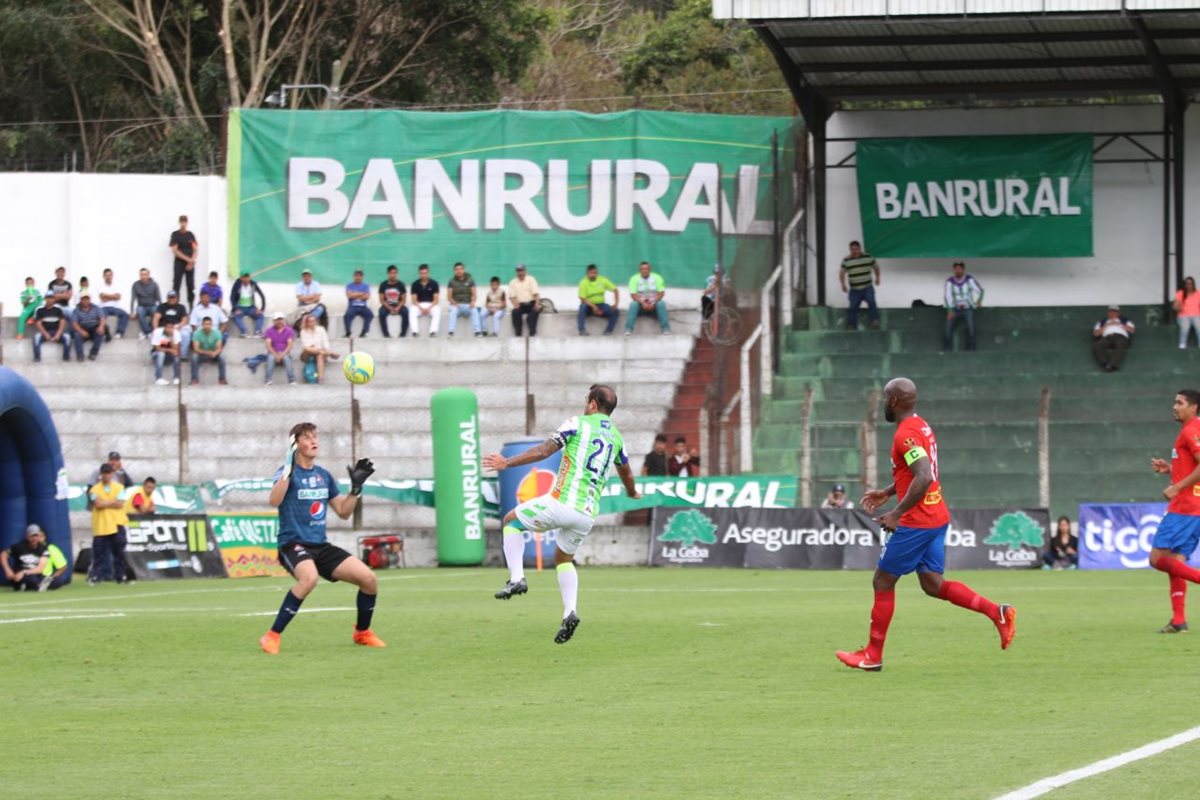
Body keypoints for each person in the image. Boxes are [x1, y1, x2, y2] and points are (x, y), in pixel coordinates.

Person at [836, 377, 1016, 671]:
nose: (884, 402)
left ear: (894, 401)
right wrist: (888, 491)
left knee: (882, 581)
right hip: (936, 516)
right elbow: (917, 472)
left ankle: (872, 656)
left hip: (916, 522)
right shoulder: (921, 426)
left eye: (885, 398)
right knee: (933, 584)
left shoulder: (904, 435)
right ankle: (997, 612)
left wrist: (896, 512)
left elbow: (924, 476)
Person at [483, 384, 640, 644]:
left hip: (563, 503)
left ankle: (516, 579)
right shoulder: (616, 437)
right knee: (563, 557)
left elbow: (544, 451)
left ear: (592, 404)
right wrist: (632, 492)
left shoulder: (577, 423)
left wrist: (506, 463)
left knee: (511, 521)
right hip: (587, 514)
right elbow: (626, 472)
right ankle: (570, 612)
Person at [258, 422, 382, 654]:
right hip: (292, 544)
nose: (314, 441)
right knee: (309, 579)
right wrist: (287, 469)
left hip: (320, 546)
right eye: (306, 437)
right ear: (295, 444)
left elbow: (344, 512)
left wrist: (356, 488)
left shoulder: (323, 475)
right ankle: (272, 636)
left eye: (315, 436)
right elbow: (274, 500)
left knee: (369, 579)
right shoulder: (286, 472)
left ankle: (362, 633)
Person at [1146, 390, 1200, 634]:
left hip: (1184, 507)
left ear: (1194, 407)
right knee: (1175, 561)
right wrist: (1171, 470)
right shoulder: (1190, 430)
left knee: (1157, 559)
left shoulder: (1191, 431)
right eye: (1174, 401)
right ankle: (1179, 620)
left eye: (1180, 402)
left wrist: (1176, 486)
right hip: (1193, 507)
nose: (1174, 406)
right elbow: (1192, 467)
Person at [88, 463, 130, 585]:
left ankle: (120, 576)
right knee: (99, 553)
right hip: (101, 525)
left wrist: (105, 502)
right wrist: (112, 502)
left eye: (109, 473)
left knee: (119, 552)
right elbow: (97, 504)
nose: (107, 476)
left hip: (116, 523)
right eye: (105, 473)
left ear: (112, 474)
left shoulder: (119, 487)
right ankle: (97, 576)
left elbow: (120, 503)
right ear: (101, 475)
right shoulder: (94, 489)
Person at [943, 261, 984, 351]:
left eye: (959, 269)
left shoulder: (970, 280)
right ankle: (946, 349)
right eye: (956, 269)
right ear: (953, 270)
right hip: (954, 309)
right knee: (947, 328)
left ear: (963, 269)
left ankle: (971, 349)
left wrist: (979, 301)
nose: (957, 270)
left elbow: (980, 290)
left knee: (971, 328)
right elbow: (947, 297)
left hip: (968, 308)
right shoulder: (949, 282)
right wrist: (949, 310)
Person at [840, 240, 880, 331]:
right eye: (852, 249)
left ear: (860, 248)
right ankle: (851, 325)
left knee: (872, 303)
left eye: (856, 249)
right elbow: (842, 273)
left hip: (867, 287)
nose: (854, 251)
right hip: (854, 289)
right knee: (852, 307)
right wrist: (843, 284)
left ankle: (875, 321)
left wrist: (877, 278)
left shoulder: (868, 257)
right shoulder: (846, 260)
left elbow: (876, 267)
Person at [625, 261, 669, 336]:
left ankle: (665, 329)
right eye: (642, 269)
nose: (644, 271)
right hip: (641, 306)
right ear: (639, 270)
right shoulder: (634, 279)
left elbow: (661, 293)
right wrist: (642, 303)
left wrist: (653, 303)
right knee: (633, 304)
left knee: (661, 303)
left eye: (646, 269)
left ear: (650, 269)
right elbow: (633, 295)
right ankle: (628, 329)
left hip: (654, 305)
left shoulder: (657, 277)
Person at [3, 524, 50, 591]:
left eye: (36, 536)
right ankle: (31, 585)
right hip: (18, 576)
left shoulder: (43, 548)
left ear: (39, 536)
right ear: (27, 536)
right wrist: (7, 570)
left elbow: (40, 568)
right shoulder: (18, 547)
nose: (34, 539)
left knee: (56, 581)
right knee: (33, 581)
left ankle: (31, 586)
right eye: (31, 536)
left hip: (32, 573)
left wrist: (24, 572)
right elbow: (3, 555)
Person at [577, 264, 619, 336]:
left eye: (595, 273)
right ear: (587, 273)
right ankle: (582, 330)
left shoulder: (602, 280)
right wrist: (593, 307)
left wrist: (616, 303)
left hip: (601, 305)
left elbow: (615, 290)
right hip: (589, 306)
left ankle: (608, 331)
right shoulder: (583, 282)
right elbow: (582, 298)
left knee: (615, 311)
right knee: (582, 306)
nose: (593, 275)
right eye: (591, 273)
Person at [1092, 304, 1135, 373]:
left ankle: (1113, 365)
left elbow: (1132, 330)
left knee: (1120, 343)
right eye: (1111, 311)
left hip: (1120, 336)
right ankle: (1105, 364)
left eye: (1115, 312)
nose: (1113, 313)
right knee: (1097, 345)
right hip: (1107, 337)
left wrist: (1119, 324)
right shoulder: (1102, 321)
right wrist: (1107, 325)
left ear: (1118, 313)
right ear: (1108, 313)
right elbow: (1096, 333)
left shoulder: (1124, 320)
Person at [31, 294, 72, 363]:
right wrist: (46, 334)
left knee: (67, 337)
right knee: (36, 337)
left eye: (51, 298)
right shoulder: (40, 310)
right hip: (45, 332)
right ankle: (37, 357)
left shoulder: (58, 310)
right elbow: (38, 324)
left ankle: (66, 357)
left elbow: (62, 322)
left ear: (54, 299)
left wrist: (58, 334)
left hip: (56, 331)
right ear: (45, 299)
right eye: (48, 298)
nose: (50, 300)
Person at [446, 262, 482, 338]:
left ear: (463, 269)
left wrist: (472, 302)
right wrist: (454, 303)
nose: (459, 271)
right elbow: (449, 297)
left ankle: (477, 332)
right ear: (454, 271)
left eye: (460, 269)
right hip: (456, 305)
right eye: (457, 269)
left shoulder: (470, 280)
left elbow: (474, 295)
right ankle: (450, 332)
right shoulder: (451, 281)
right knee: (453, 310)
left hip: (467, 305)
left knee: (474, 310)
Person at [299, 313, 338, 384]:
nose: (312, 323)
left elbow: (325, 342)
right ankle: (330, 354)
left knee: (320, 355)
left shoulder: (321, 329)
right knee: (309, 349)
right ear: (307, 323)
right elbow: (307, 346)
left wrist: (324, 350)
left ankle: (320, 378)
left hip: (320, 352)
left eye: (314, 321)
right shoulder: (303, 331)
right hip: (307, 354)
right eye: (310, 321)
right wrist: (327, 352)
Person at [170, 214, 199, 305]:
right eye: (182, 221)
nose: (183, 223)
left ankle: (191, 305)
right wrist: (188, 259)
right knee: (176, 284)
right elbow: (175, 250)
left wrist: (192, 261)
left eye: (185, 221)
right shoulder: (175, 234)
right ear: (179, 222)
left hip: (190, 264)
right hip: (179, 263)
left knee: (190, 285)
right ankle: (175, 304)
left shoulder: (190, 235)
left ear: (187, 222)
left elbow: (195, 249)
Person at [190, 317, 227, 385]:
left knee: (222, 357)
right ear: (202, 325)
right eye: (205, 324)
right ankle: (194, 379)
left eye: (209, 324)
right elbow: (196, 348)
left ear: (212, 325)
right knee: (194, 357)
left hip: (213, 355)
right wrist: (207, 352)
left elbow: (219, 348)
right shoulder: (197, 333)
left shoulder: (217, 333)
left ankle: (222, 379)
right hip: (202, 355)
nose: (207, 326)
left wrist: (215, 353)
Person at [153, 290, 191, 357]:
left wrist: (179, 326)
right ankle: (167, 352)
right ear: (167, 298)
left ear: (177, 298)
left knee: (186, 335)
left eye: (173, 297)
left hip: (177, 327)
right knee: (157, 334)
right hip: (164, 327)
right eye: (170, 297)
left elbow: (184, 319)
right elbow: (156, 318)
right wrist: (155, 329)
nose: (171, 299)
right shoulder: (162, 306)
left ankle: (182, 355)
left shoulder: (181, 307)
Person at [230, 271, 267, 337]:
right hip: (240, 307)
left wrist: (262, 309)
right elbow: (232, 297)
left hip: (251, 308)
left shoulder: (253, 284)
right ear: (241, 278)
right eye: (244, 277)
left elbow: (262, 296)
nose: (246, 279)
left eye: (247, 277)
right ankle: (244, 332)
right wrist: (235, 308)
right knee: (235, 315)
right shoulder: (237, 284)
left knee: (260, 315)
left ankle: (257, 332)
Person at [70, 293, 106, 361]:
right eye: (83, 299)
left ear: (90, 300)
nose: (85, 301)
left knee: (100, 333)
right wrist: (81, 331)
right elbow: (74, 323)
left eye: (87, 299)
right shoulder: (76, 310)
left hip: (94, 327)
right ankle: (80, 355)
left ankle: (93, 353)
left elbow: (102, 318)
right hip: (82, 328)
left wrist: (101, 327)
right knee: (77, 335)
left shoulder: (96, 307)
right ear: (80, 300)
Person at [508, 263, 541, 337]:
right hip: (521, 305)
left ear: (525, 271)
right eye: (518, 271)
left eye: (521, 270)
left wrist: (537, 304)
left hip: (531, 303)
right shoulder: (512, 282)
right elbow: (512, 297)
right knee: (515, 312)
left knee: (533, 313)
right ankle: (518, 333)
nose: (520, 272)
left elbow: (536, 294)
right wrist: (515, 304)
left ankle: (532, 333)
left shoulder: (531, 279)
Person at [264, 312, 297, 385]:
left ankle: (292, 380)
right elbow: (268, 345)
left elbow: (289, 345)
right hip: (273, 352)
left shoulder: (289, 330)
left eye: (280, 319)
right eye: (277, 319)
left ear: (283, 320)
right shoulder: (269, 330)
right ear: (274, 321)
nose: (279, 321)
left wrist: (282, 355)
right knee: (271, 358)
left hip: (284, 352)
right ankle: (268, 380)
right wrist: (276, 355)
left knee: (287, 358)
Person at [377, 265, 409, 338]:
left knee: (406, 312)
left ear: (397, 274)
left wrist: (398, 307)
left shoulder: (401, 284)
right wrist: (389, 308)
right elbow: (381, 300)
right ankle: (386, 334)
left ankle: (403, 334)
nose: (393, 275)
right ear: (388, 274)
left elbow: (403, 300)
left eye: (395, 273)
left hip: (398, 305)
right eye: (391, 273)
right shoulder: (383, 285)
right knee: (381, 313)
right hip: (387, 305)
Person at [131, 267, 162, 339]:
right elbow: (133, 299)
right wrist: (132, 311)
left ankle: (146, 332)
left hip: (152, 305)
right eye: (141, 275)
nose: (143, 276)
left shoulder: (154, 284)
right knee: (139, 311)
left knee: (155, 311)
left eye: (145, 274)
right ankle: (148, 332)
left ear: (148, 275)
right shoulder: (135, 285)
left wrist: (161, 310)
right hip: (141, 306)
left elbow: (158, 298)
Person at [98, 268, 129, 340]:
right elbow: (102, 297)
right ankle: (104, 333)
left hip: (115, 307)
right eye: (106, 275)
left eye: (110, 275)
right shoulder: (100, 286)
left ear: (112, 276)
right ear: (103, 276)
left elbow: (118, 297)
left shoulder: (117, 285)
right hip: (104, 307)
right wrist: (113, 296)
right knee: (101, 316)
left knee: (124, 314)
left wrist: (107, 296)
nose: (108, 277)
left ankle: (119, 332)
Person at [411, 263, 441, 337]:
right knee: (412, 310)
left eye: (425, 273)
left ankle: (433, 332)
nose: (423, 275)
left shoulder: (434, 284)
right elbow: (414, 300)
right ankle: (415, 332)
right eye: (422, 273)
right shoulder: (415, 284)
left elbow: (436, 300)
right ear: (419, 273)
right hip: (419, 305)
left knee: (437, 310)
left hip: (431, 305)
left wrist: (428, 308)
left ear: (428, 273)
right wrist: (421, 308)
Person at [150, 320, 182, 385]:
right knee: (161, 354)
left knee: (177, 355)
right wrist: (170, 350)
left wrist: (171, 338)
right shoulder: (157, 332)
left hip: (169, 356)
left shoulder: (176, 333)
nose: (169, 329)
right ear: (164, 327)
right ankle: (159, 378)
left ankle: (176, 378)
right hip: (156, 355)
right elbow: (157, 348)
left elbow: (176, 349)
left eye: (171, 328)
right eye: (168, 327)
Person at [344, 269, 374, 338]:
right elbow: (349, 296)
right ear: (353, 276)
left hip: (363, 307)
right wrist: (361, 293)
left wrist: (354, 294)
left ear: (362, 277)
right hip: (352, 307)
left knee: (370, 315)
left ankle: (364, 332)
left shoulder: (366, 286)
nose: (358, 277)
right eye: (356, 275)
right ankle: (348, 332)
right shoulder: (349, 285)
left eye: (360, 276)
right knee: (347, 315)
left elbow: (367, 297)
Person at [1174, 277, 1200, 349]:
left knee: (1199, 325)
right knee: (1185, 326)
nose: (1189, 285)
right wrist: (1178, 307)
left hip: (1197, 315)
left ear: (1193, 284)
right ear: (1184, 285)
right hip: (1183, 316)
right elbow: (1175, 306)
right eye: (1187, 284)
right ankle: (1182, 345)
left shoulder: (1198, 293)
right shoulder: (1180, 293)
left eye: (1191, 283)